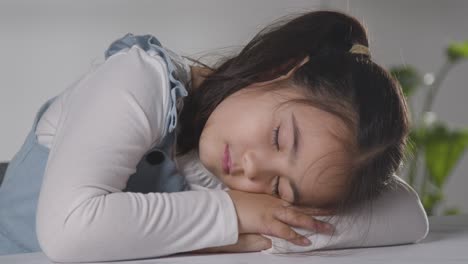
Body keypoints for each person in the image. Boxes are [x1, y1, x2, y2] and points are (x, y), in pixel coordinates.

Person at [0, 10, 428, 262]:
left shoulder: (225, 173)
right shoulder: (141, 80)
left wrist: (257, 219)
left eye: (280, 187)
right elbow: (69, 232)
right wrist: (229, 218)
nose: (253, 171)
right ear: (278, 72)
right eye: (279, 137)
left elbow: (408, 215)